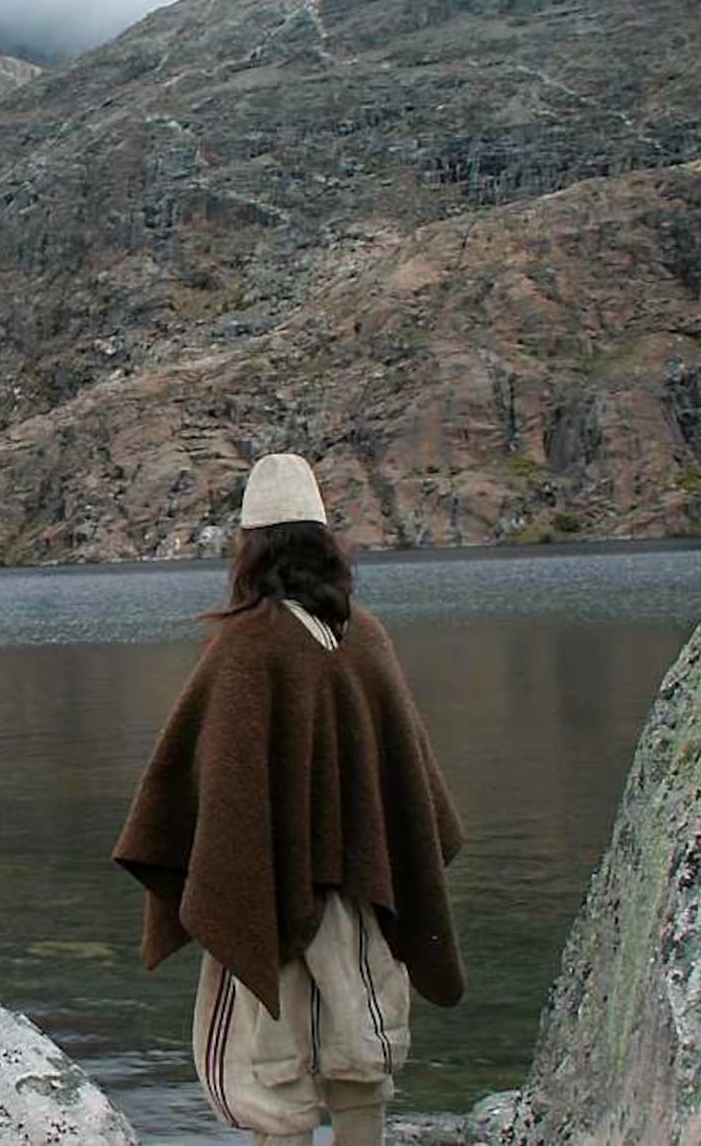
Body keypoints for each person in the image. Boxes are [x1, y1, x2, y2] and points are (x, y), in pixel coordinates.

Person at [113, 454, 465, 1146]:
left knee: (275, 1071)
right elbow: (410, 789)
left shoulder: (244, 646)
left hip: (267, 898)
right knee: (362, 1050)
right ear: (325, 546)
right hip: (362, 895)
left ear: (250, 551)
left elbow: (201, 786)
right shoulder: (366, 637)